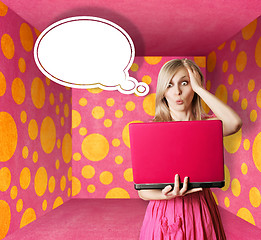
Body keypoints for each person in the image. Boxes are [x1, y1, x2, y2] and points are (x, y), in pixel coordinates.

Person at [138, 58, 242, 240]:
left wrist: (200, 89)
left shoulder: (207, 127)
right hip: (163, 211)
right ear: (163, 91)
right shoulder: (151, 130)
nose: (177, 91)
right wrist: (167, 196)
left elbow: (234, 123)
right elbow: (143, 191)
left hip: (200, 208)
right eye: (169, 85)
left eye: (184, 83)